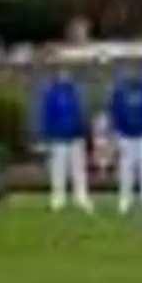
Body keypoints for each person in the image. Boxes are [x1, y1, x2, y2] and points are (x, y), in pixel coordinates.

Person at [107, 62, 142, 216]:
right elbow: (114, 111)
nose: (132, 74)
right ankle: (126, 197)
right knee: (126, 168)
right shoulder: (119, 90)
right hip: (126, 135)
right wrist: (117, 131)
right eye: (129, 71)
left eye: (135, 71)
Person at [36, 66, 92, 211]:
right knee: (58, 170)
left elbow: (81, 113)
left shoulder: (76, 92)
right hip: (58, 138)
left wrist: (82, 132)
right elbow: (46, 116)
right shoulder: (51, 93)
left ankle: (81, 197)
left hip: (75, 137)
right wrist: (48, 135)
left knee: (78, 170)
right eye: (62, 73)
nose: (65, 75)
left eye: (67, 73)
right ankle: (58, 198)